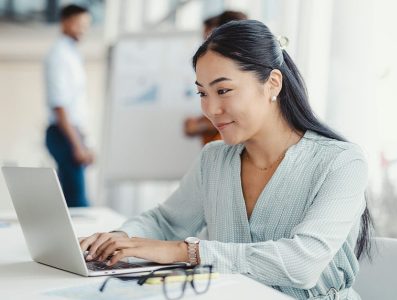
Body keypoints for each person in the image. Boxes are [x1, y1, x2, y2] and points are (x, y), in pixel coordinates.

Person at [80, 20, 373, 299]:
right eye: (202, 93)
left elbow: (302, 263)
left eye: (223, 90)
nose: (211, 109)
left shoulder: (341, 162)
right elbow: (166, 222)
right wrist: (118, 239)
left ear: (272, 83)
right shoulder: (214, 159)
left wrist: (185, 252)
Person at [44, 4, 94, 207]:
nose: (83, 29)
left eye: (86, 25)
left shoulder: (71, 53)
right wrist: (78, 145)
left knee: (72, 199)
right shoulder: (59, 55)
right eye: (79, 24)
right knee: (77, 203)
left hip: (72, 133)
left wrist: (86, 142)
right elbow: (60, 105)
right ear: (65, 22)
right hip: (63, 134)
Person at [184, 10, 247, 145]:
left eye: (208, 38)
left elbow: (241, 113)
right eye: (202, 93)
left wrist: (200, 126)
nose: (206, 47)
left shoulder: (242, 70)